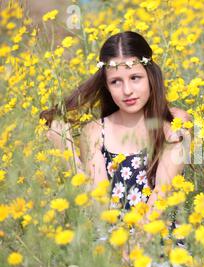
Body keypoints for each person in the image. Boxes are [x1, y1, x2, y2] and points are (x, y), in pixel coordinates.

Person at [41, 31, 191, 218]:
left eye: (135, 78)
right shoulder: (95, 132)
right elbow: (98, 208)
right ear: (106, 85)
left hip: (160, 240)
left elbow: (161, 196)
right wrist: (67, 153)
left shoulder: (174, 123)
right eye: (116, 82)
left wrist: (130, 246)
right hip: (111, 239)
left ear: (150, 76)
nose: (127, 91)